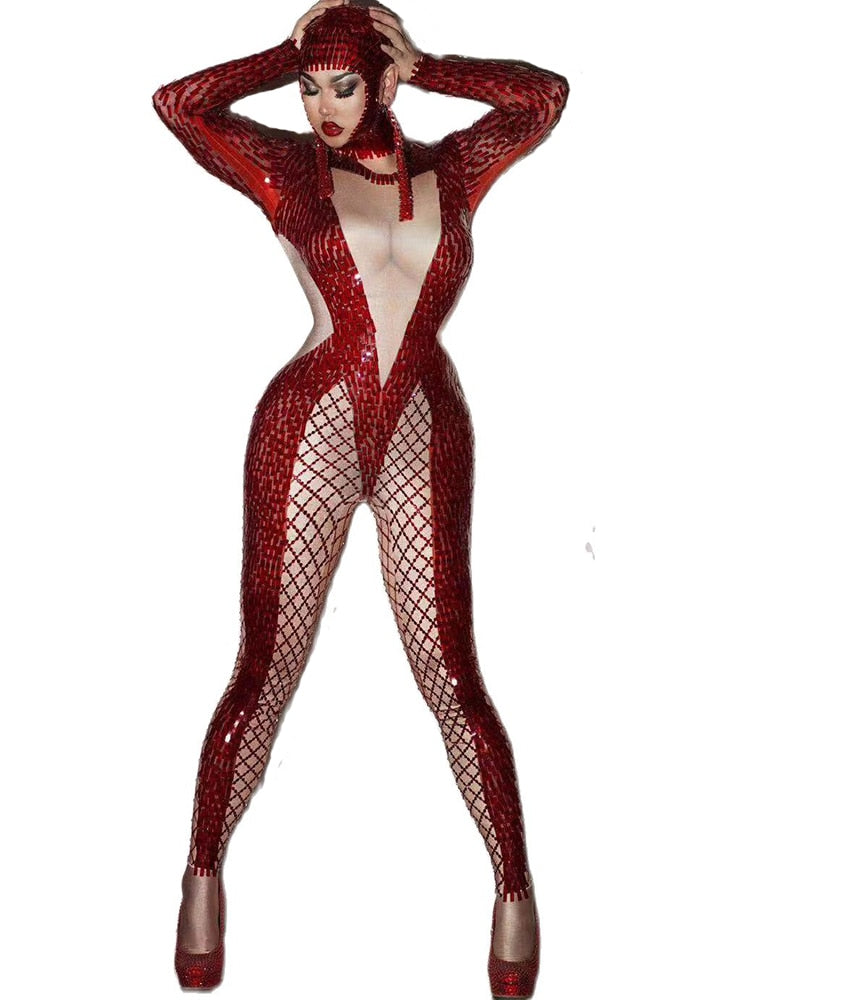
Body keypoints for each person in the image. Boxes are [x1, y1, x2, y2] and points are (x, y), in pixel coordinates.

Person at [152, 2, 567, 995]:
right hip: (313, 425)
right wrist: (284, 51)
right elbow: (178, 105)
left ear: (381, 81)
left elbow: (544, 100)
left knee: (453, 674)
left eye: (342, 84)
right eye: (309, 89)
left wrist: (429, 66)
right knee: (265, 669)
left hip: (427, 424)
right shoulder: (288, 170)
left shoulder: (453, 170)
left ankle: (514, 886)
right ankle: (202, 869)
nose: (320, 107)